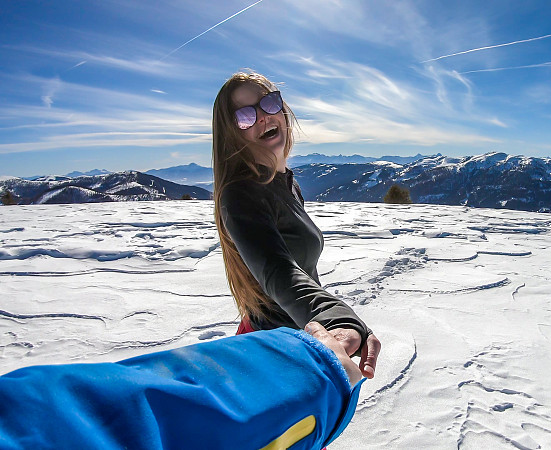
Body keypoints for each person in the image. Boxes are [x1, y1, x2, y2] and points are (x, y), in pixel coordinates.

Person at [211, 71, 381, 378]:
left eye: (269, 103)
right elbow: (279, 272)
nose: (263, 117)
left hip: (299, 337)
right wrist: (334, 317)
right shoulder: (241, 193)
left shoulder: (285, 183)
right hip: (273, 350)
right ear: (232, 132)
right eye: (246, 115)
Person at [0, 323, 364, 449]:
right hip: (284, 359)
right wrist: (309, 363)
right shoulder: (240, 197)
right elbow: (89, 422)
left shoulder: (288, 187)